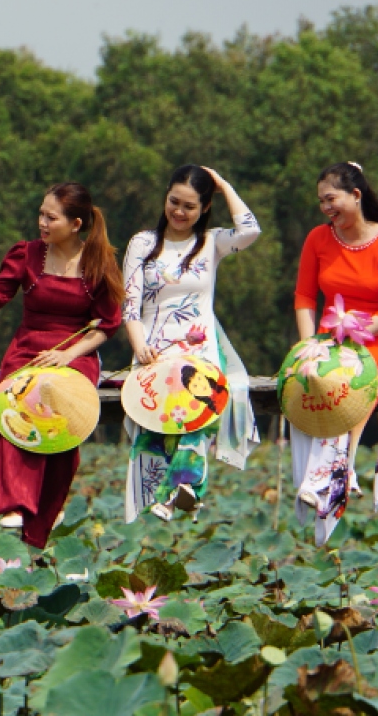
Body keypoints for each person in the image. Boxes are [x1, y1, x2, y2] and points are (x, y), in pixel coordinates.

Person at [0, 182, 122, 549]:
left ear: (76, 224)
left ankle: (46, 507)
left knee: (60, 404)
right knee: (12, 399)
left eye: (51, 217)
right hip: (28, 347)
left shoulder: (99, 261)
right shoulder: (26, 254)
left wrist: (69, 355)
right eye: (41, 214)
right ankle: (15, 502)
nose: (42, 222)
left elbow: (107, 325)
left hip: (75, 355)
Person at [121, 166, 261, 524]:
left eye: (190, 207)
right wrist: (139, 348)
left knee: (200, 406)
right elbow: (130, 305)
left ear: (204, 209)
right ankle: (159, 496)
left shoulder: (211, 243)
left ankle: (184, 488)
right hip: (153, 351)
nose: (179, 212)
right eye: (174, 202)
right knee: (156, 422)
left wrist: (223, 184)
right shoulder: (143, 244)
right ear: (165, 196)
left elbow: (250, 230)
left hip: (198, 354)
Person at [292, 161, 378, 544]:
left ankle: (330, 473)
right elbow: (304, 297)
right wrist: (309, 343)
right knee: (309, 376)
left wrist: (360, 331)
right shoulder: (318, 239)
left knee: (343, 379)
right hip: (331, 335)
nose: (327, 208)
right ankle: (332, 474)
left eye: (332, 199)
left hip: (377, 337)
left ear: (356, 196)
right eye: (321, 202)